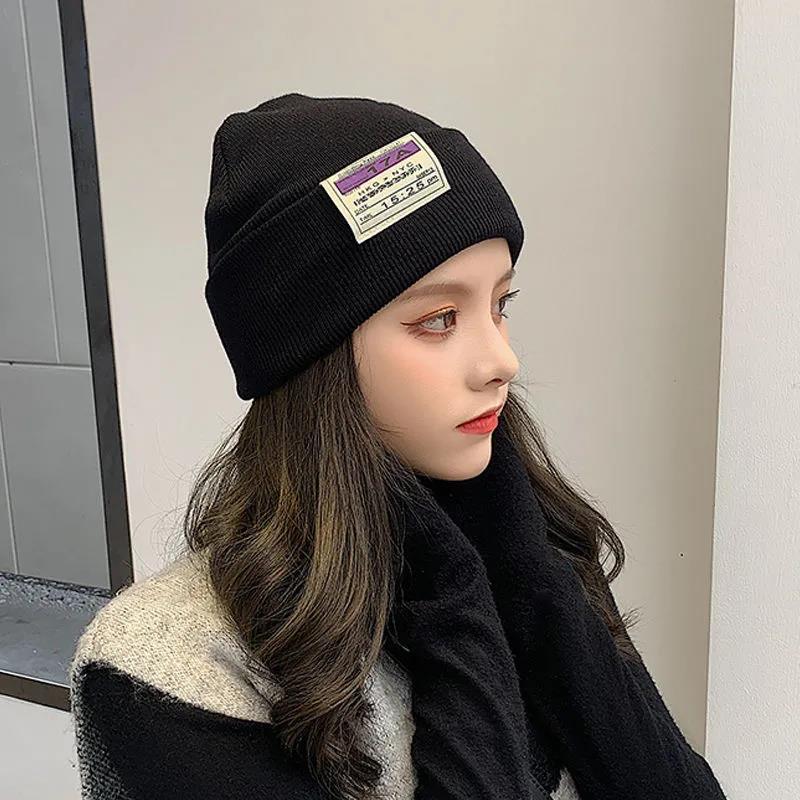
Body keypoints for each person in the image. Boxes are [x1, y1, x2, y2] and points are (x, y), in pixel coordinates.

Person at [69, 92, 729, 800]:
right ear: (312, 356)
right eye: (440, 318)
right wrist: (455, 612)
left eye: (500, 305)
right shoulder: (164, 666)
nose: (502, 360)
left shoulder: (530, 543)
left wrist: (527, 575)